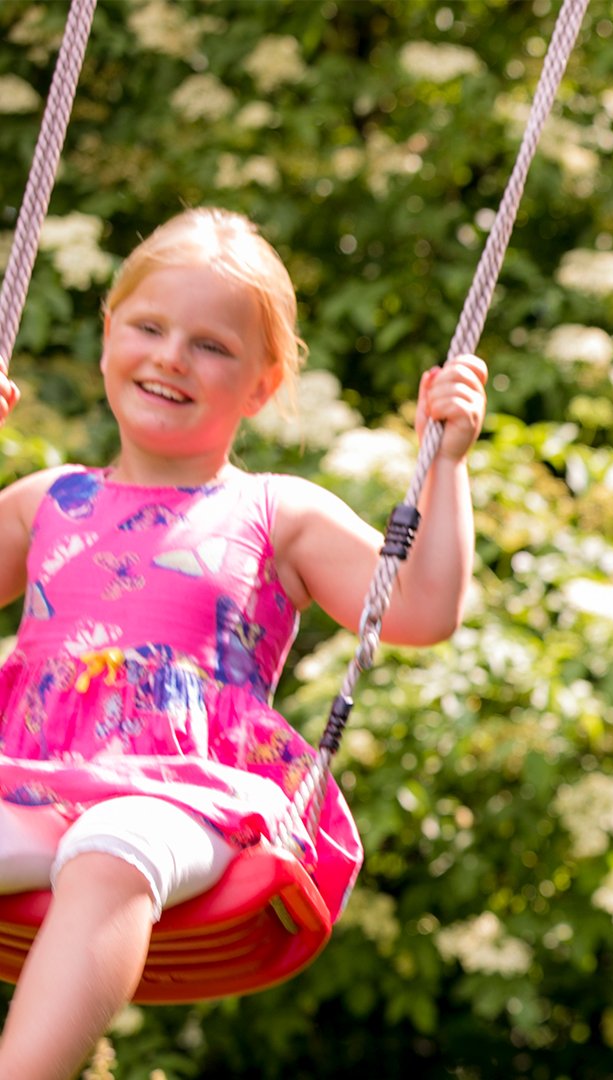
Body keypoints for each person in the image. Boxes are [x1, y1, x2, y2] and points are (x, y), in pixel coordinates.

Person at [0, 207, 488, 1079]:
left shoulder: (275, 511)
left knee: (112, 851)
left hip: (190, 800)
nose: (171, 357)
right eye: (149, 327)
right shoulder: (48, 501)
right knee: (83, 844)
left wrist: (444, 465)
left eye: (211, 346)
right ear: (109, 334)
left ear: (261, 388)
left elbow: (418, 610)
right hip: (34, 785)